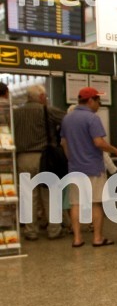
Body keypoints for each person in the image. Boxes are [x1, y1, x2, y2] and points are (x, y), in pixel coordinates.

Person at [60, 87, 117, 247]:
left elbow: (63, 143)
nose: (99, 104)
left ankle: (77, 239)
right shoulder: (92, 118)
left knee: (75, 203)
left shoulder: (67, 119)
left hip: (74, 168)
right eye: (98, 101)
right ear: (90, 101)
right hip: (93, 168)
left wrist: (72, 159)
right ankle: (97, 238)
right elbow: (99, 142)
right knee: (96, 202)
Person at [12, 84, 66, 241]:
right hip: (44, 158)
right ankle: (54, 229)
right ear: (41, 97)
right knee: (49, 194)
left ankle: (31, 231)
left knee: (28, 196)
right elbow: (66, 118)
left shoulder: (15, 113)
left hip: (22, 158)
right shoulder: (47, 110)